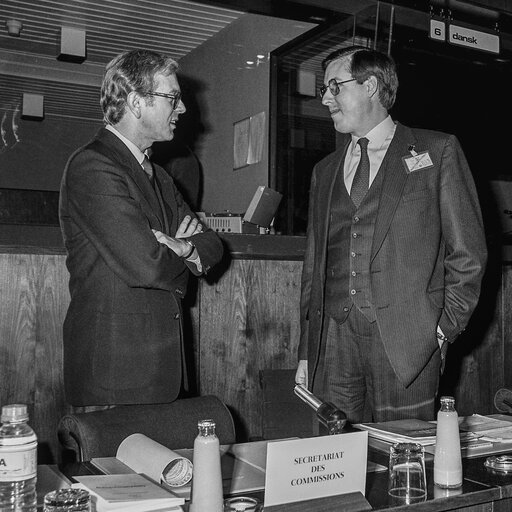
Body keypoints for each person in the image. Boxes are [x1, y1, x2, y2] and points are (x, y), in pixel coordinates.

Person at [295, 45, 487, 423]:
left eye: (334, 86)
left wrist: (442, 328)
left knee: (406, 459)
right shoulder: (325, 170)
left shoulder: (437, 150)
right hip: (332, 344)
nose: (325, 98)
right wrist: (307, 348)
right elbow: (313, 265)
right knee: (335, 463)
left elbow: (469, 254)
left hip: (407, 344)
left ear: (369, 85)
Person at [59, 49, 223, 407]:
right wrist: (181, 255)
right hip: (115, 376)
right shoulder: (92, 166)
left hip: (159, 373)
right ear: (136, 102)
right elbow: (146, 263)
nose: (181, 109)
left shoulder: (160, 177)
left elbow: (213, 245)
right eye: (172, 98)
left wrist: (189, 248)